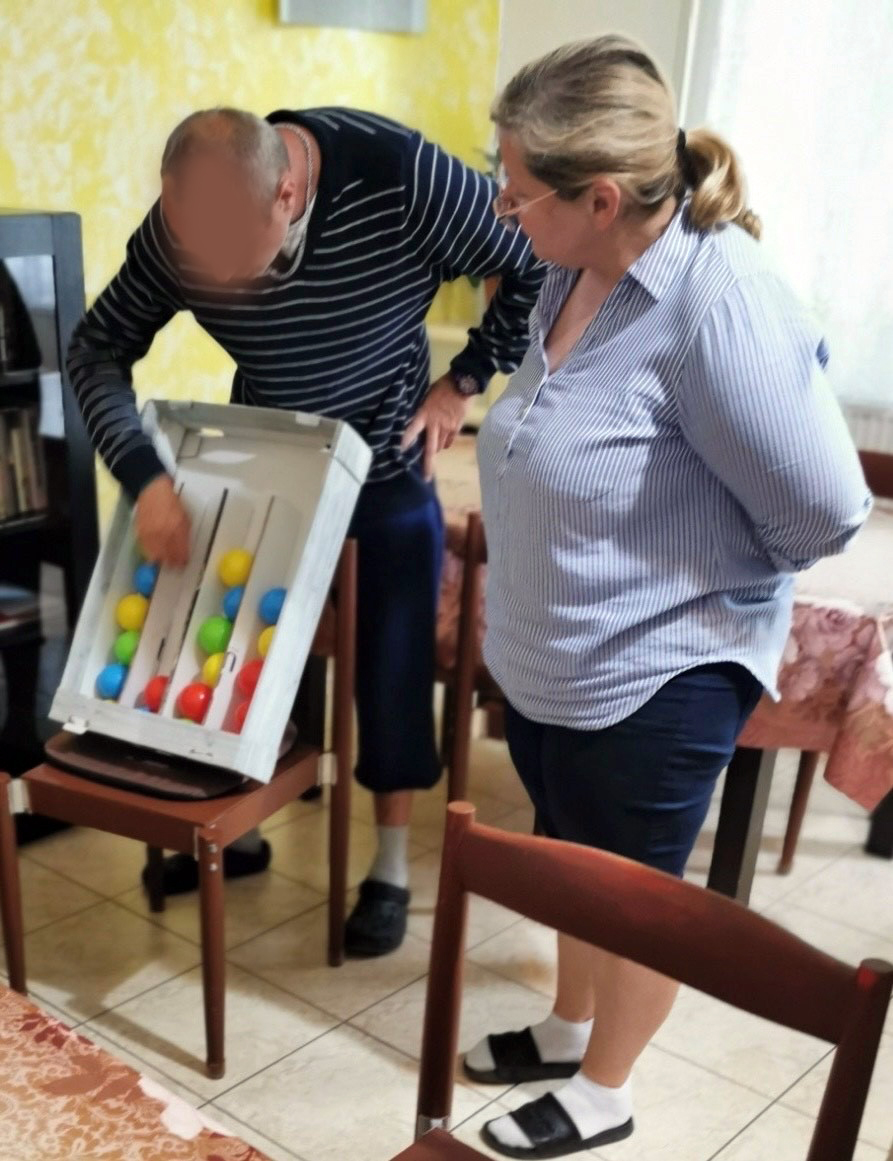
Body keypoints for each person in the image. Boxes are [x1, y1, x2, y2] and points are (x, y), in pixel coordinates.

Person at [462, 36, 870, 1158]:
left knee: (636, 891)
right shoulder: (572, 266)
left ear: (599, 197)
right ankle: (569, 1027)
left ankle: (606, 1091)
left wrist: (688, 585)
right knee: (575, 863)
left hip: (658, 670)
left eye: (516, 188)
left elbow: (823, 511)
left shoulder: (717, 305)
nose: (501, 205)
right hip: (558, 660)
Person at [67, 106, 544, 957]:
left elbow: (532, 261)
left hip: (386, 464)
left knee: (392, 671)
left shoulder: (403, 177)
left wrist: (464, 379)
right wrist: (144, 477)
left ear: (287, 194)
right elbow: (97, 348)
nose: (211, 278)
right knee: (240, 652)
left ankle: (389, 867)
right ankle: (246, 834)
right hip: (273, 466)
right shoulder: (183, 228)